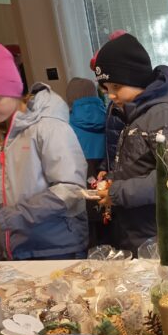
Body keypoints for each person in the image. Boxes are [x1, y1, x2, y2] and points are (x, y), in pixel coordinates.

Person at [0, 43, 88, 260]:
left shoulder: (48, 126)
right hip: (13, 251)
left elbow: (71, 188)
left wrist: (15, 216)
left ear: (13, 90)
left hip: (57, 247)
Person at [94, 33, 168, 253]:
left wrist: (118, 192)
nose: (111, 95)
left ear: (136, 78)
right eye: (106, 89)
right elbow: (140, 165)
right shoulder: (138, 114)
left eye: (116, 86)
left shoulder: (165, 115)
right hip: (145, 234)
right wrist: (113, 180)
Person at [66, 77, 107, 248]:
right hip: (105, 173)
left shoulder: (66, 123)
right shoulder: (109, 116)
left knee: (88, 232)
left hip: (81, 175)